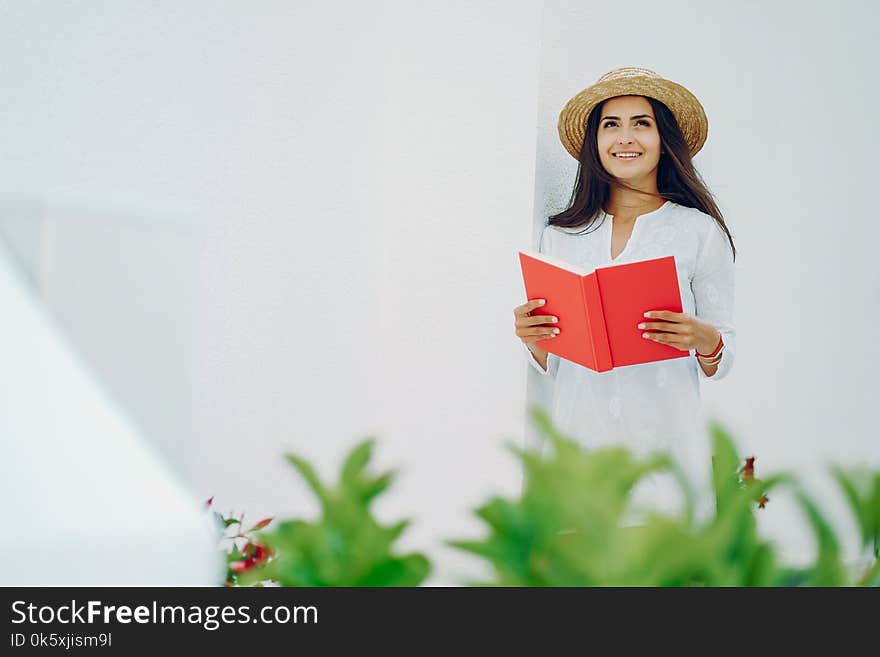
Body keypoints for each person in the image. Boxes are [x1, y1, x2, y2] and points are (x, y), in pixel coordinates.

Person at [513, 67, 737, 520]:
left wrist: (704, 340)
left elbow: (724, 352)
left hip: (666, 456)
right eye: (610, 125)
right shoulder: (560, 236)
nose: (625, 138)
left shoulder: (697, 231)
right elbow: (553, 365)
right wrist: (532, 337)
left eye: (641, 123)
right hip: (579, 452)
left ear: (663, 140)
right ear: (595, 143)